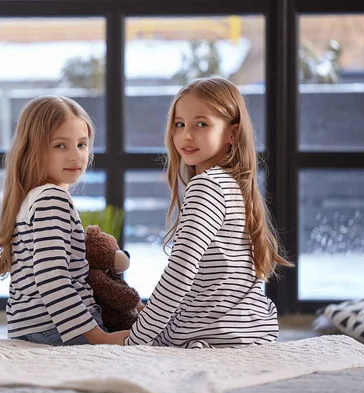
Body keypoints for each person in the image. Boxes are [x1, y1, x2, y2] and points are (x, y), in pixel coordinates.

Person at [125, 76, 292, 348]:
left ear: (232, 133)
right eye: (179, 125)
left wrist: (135, 339)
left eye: (201, 124)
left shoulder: (206, 185)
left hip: (209, 333)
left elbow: (180, 271)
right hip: (248, 328)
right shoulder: (232, 183)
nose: (186, 135)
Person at [0, 95, 129, 346]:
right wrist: (99, 338)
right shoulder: (52, 198)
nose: (75, 156)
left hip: (31, 326)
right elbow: (52, 279)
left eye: (82, 145)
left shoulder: (32, 197)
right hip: (58, 328)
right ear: (33, 149)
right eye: (60, 146)